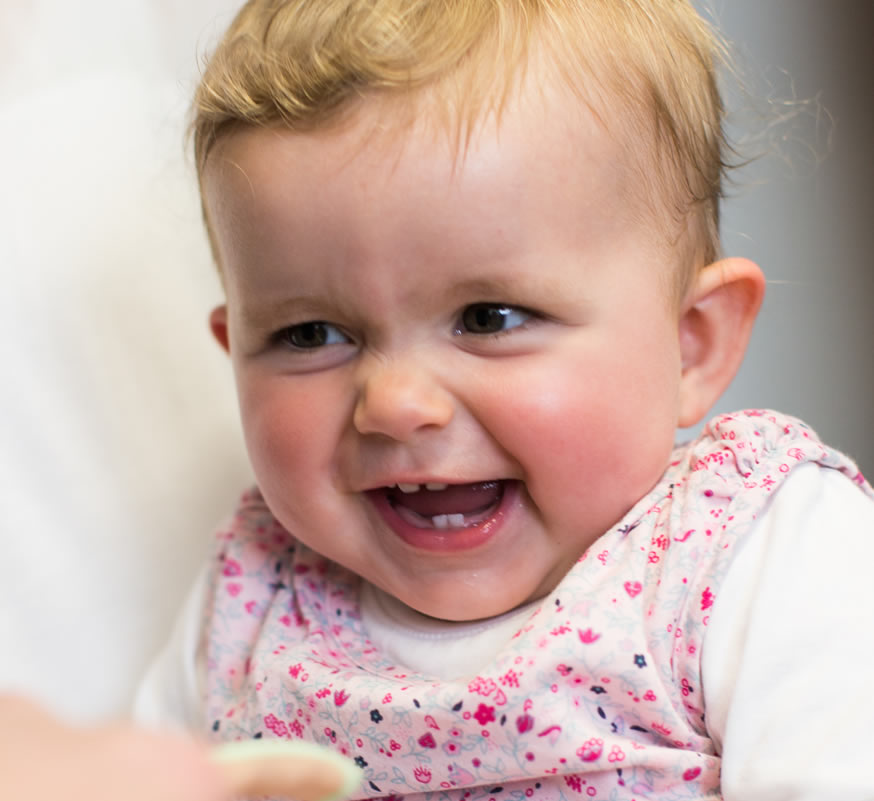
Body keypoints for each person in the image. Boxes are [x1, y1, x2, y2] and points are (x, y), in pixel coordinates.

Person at [135, 0, 874, 799]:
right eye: (311, 334)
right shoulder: (256, 596)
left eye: (488, 318)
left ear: (690, 341)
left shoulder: (749, 553)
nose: (395, 402)